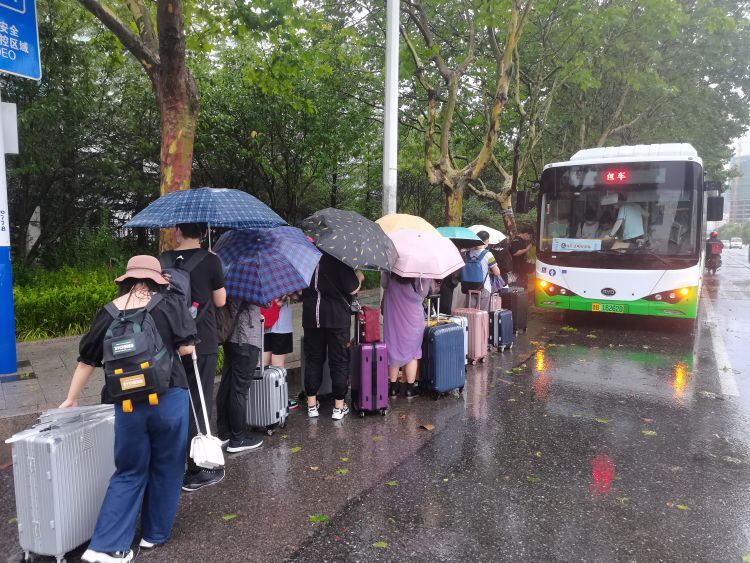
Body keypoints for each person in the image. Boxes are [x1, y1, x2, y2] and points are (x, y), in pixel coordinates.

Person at [60, 256, 196, 563]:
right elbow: (187, 349)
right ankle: (153, 535)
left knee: (128, 471)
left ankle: (105, 546)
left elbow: (88, 360)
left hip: (126, 402)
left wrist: (71, 398)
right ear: (157, 280)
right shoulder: (170, 303)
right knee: (168, 465)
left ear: (126, 279)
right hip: (169, 396)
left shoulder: (108, 311)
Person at [159, 223, 227, 492]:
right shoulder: (211, 260)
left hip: (169, 341)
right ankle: (196, 468)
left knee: (174, 398)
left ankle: (171, 464)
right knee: (199, 400)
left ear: (178, 231)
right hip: (202, 338)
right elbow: (220, 301)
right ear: (203, 233)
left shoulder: (162, 260)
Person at [301, 252, 364, 420]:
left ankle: (312, 406)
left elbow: (298, 291)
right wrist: (359, 276)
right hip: (337, 318)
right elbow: (352, 288)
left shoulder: (306, 258)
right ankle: (338, 407)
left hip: (311, 317)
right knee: (339, 361)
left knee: (313, 359)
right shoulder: (338, 257)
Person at [216, 297, 264, 453]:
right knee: (239, 390)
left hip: (231, 337)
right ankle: (238, 439)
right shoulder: (250, 276)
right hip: (246, 337)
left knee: (227, 384)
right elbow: (266, 302)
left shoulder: (231, 277)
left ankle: (224, 433)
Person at [382, 273, 430, 398]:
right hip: (412, 313)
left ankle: (392, 387)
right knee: (413, 350)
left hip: (392, 309)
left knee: (392, 345)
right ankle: (409, 389)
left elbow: (383, 283)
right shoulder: (420, 268)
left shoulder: (391, 263)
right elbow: (423, 293)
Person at [463, 231, 501, 311]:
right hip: (484, 288)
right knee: (483, 314)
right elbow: (497, 272)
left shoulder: (468, 254)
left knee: (471, 314)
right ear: (486, 241)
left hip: (469, 287)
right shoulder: (488, 254)